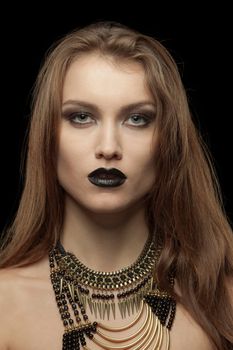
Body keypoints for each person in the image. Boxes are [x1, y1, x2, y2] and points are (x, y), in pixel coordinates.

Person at [0, 21, 232, 350]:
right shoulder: (5, 305)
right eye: (81, 117)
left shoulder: (221, 301)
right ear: (47, 136)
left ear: (169, 141)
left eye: (137, 119)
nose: (109, 147)